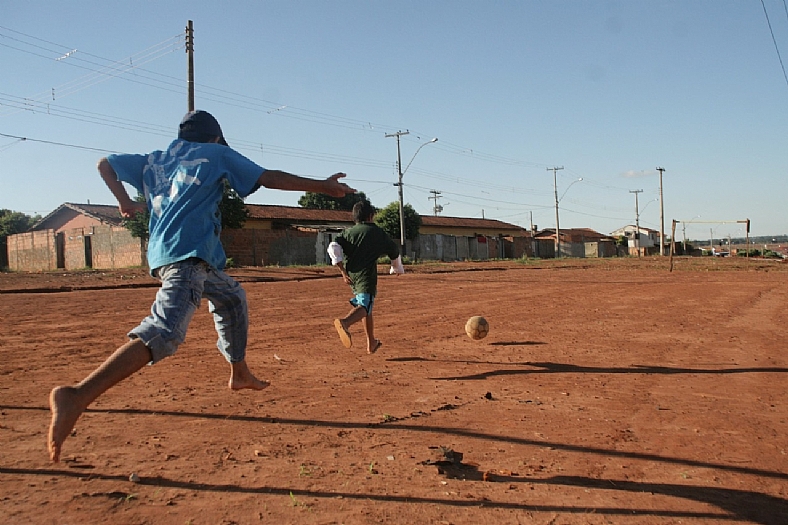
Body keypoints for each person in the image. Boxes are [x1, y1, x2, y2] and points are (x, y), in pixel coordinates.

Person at [48, 110, 355, 463]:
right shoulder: (217, 154)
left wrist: (123, 200)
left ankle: (238, 372)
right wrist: (322, 186)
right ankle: (77, 395)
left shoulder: (155, 159)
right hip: (187, 259)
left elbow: (105, 164)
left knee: (232, 299)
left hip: (181, 257)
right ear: (214, 138)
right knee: (163, 332)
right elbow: (268, 178)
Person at [328, 201, 404, 354]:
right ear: (371, 216)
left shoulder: (348, 233)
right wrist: (397, 267)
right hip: (365, 277)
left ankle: (371, 342)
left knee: (367, 306)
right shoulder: (376, 232)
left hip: (351, 276)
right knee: (365, 306)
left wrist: (342, 271)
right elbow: (393, 249)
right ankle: (345, 322)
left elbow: (333, 247)